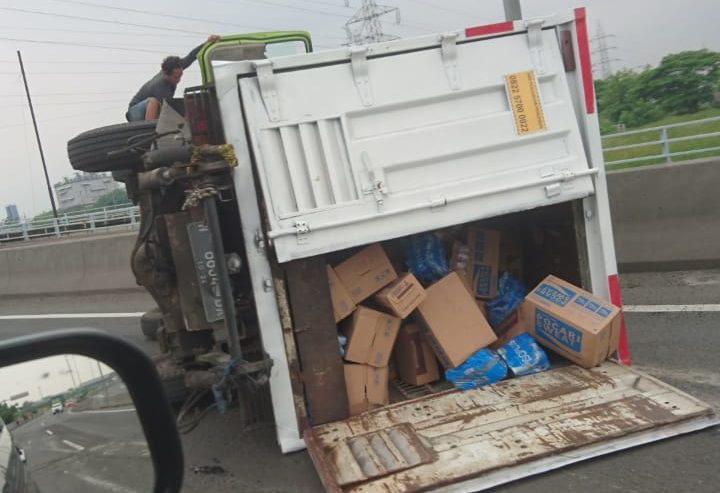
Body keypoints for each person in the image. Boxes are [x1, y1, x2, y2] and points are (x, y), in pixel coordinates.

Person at [126, 34, 221, 121]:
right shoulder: (159, 86)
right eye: (176, 78)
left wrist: (207, 43)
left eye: (180, 76)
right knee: (153, 102)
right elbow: (166, 110)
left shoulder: (175, 67)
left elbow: (191, 57)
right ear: (166, 74)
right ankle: (149, 128)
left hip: (156, 107)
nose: (179, 80)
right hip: (135, 113)